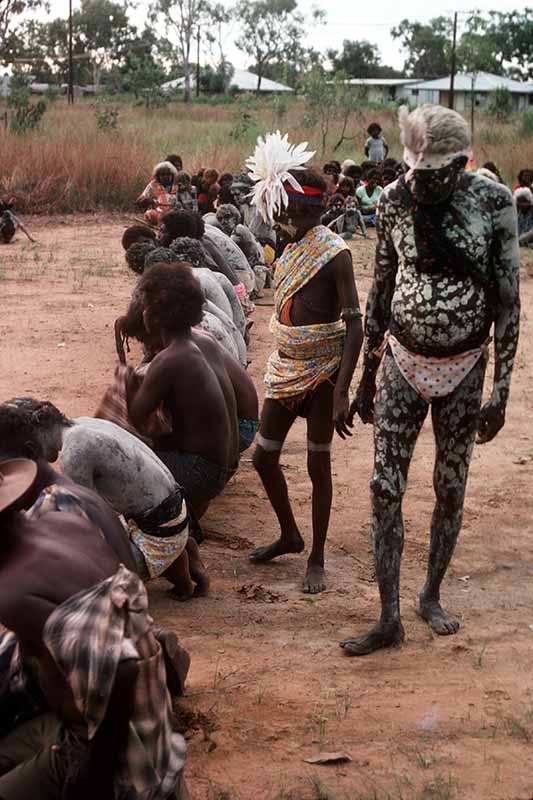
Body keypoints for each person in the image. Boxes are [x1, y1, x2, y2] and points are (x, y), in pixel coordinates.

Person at [341, 104, 520, 657]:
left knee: (450, 487)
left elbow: (509, 300)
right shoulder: (394, 200)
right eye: (415, 172)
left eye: (435, 174)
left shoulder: (494, 203)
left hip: (467, 367)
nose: (422, 184)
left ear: (460, 164)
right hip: (401, 359)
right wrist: (366, 375)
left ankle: (431, 595)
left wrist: (502, 391)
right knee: (382, 489)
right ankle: (387, 615)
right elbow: (380, 288)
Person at [0, 458, 189, 799]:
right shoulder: (60, 521)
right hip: (149, 715)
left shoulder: (14, 593)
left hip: (116, 750)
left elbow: (123, 669)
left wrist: (94, 772)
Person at [245, 132, 364, 593]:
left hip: (322, 373)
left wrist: (342, 391)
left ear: (307, 211)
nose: (281, 217)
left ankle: (316, 556)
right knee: (263, 459)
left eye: (288, 210)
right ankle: (290, 535)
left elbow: (355, 326)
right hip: (286, 365)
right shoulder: (289, 246)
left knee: (318, 466)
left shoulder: (336, 254)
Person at [2, 398, 209, 599]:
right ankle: (179, 554)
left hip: (158, 531)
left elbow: (84, 525)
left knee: (85, 575)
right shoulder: (83, 424)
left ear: (32, 445)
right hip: (175, 513)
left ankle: (170, 555)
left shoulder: (74, 455)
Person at [128, 262, 239, 519]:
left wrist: (125, 383)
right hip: (224, 463)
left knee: (121, 464)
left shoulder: (170, 359)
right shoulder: (202, 342)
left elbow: (135, 417)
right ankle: (185, 529)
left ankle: (164, 532)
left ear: (152, 316)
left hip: (200, 471)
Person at [135, 161, 178, 227]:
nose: (165, 177)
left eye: (168, 174)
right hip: (158, 212)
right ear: (158, 176)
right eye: (162, 175)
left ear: (172, 175)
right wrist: (147, 201)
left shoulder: (177, 185)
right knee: (149, 214)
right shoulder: (152, 185)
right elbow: (141, 199)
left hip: (174, 212)